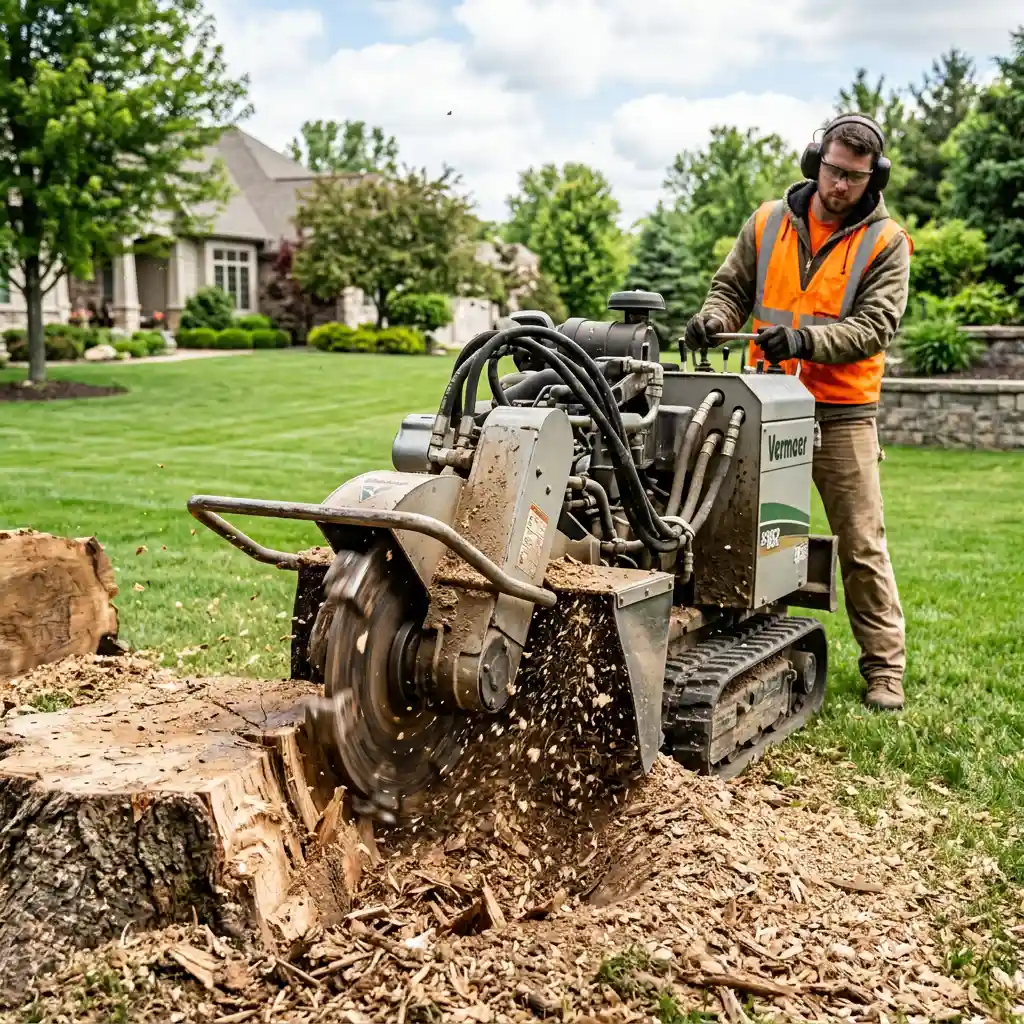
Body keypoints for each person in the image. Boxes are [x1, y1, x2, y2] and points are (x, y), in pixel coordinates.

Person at [683, 113, 912, 711]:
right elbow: (731, 288)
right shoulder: (766, 222)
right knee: (739, 531)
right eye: (834, 170)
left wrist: (806, 342)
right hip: (766, 406)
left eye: (854, 178)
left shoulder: (887, 243)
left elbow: (875, 326)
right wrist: (714, 319)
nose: (841, 185)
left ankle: (885, 670)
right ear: (816, 162)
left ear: (873, 178)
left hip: (842, 413)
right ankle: (737, 634)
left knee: (861, 543)